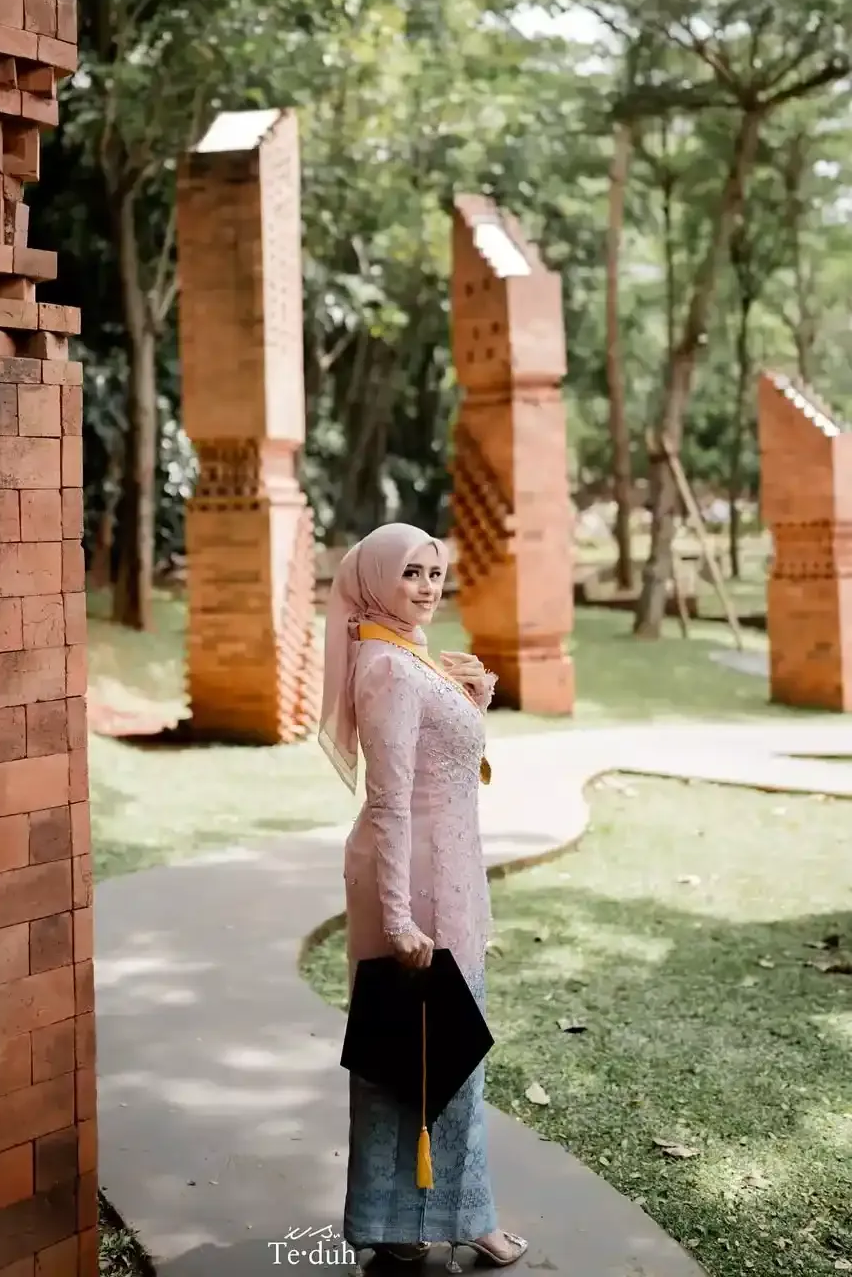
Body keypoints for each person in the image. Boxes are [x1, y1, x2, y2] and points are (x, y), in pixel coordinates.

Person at [319, 522, 528, 1269]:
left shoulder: (409, 656)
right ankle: (450, 1218)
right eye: (411, 573)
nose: (428, 587)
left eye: (436, 573)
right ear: (377, 580)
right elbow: (390, 802)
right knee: (424, 1048)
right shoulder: (387, 669)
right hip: (415, 879)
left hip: (448, 871)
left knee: (434, 1046)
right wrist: (401, 917)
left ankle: (408, 1224)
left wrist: (474, 695)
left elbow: (451, 758)